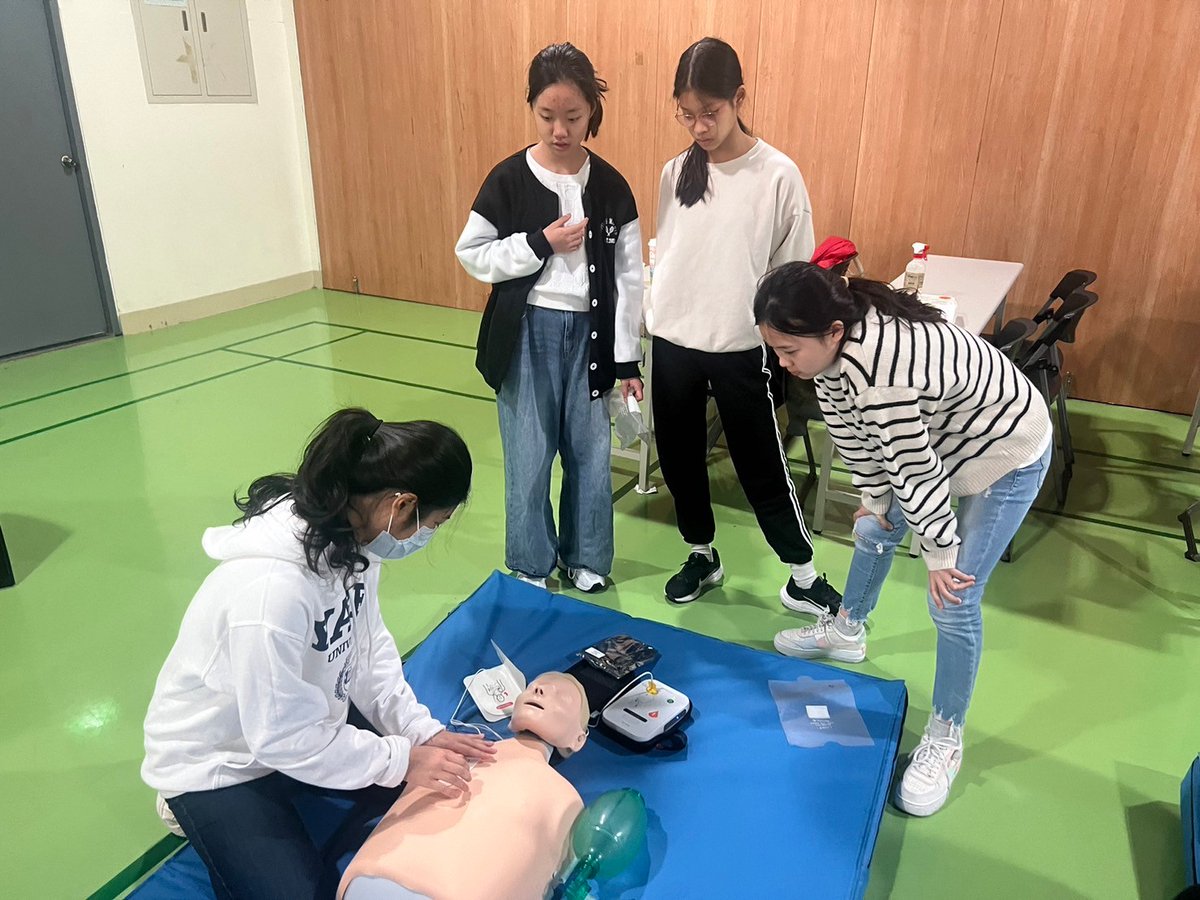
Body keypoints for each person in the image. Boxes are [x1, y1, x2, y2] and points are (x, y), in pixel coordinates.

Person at [142, 408, 495, 898]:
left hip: (298, 719)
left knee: (428, 778)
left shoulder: (356, 540)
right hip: (221, 758)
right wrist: (400, 759)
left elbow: (369, 654)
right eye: (432, 524)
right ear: (401, 505)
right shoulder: (270, 593)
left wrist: (420, 732)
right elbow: (281, 736)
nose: (425, 537)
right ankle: (187, 805)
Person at [754, 263, 1052, 816]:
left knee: (954, 599)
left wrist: (940, 552)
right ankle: (848, 631)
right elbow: (852, 434)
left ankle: (947, 734)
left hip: (1004, 449)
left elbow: (915, 468)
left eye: (788, 349)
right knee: (873, 527)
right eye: (775, 349)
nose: (782, 362)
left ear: (832, 333)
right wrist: (873, 500)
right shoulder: (829, 351)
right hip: (946, 438)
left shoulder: (880, 372)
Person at [646, 36, 841, 613]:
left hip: (739, 345)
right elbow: (671, 251)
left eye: (710, 112)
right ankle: (702, 554)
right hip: (674, 340)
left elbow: (794, 270)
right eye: (686, 114)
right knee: (679, 458)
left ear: (739, 98)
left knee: (760, 462)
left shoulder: (777, 175)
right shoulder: (675, 171)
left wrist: (782, 341)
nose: (699, 126)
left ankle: (802, 574)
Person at [455, 43, 643, 594]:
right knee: (529, 454)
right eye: (547, 116)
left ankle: (586, 559)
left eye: (573, 118)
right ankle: (531, 563)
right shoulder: (509, 178)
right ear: (531, 107)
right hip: (526, 335)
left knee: (590, 452)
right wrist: (539, 243)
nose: (560, 130)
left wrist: (626, 356)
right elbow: (473, 253)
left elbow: (629, 278)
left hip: (590, 337)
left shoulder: (611, 186)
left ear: (591, 113)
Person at [338, 672, 591, 900]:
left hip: (380, 881)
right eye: (536, 685)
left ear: (578, 739)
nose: (539, 690)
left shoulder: (565, 799)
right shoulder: (449, 752)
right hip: (379, 872)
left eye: (562, 696)